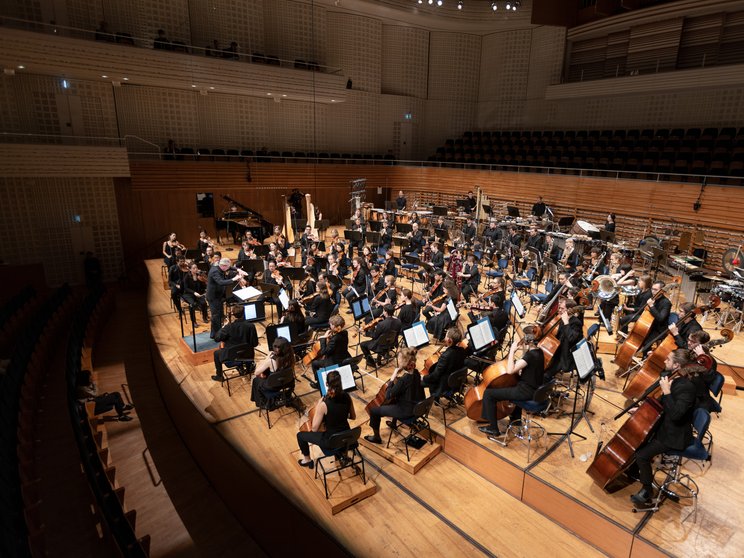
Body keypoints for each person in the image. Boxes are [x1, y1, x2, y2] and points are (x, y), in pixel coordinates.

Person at [630, 349, 698, 506]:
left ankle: (647, 491)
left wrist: (667, 391)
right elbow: (661, 404)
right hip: (664, 424)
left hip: (674, 434)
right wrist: (641, 410)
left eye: (668, 360)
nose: (664, 361)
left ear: (676, 365)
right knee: (638, 439)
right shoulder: (676, 378)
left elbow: (676, 415)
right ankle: (635, 471)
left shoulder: (687, 387)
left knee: (642, 455)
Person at [479, 326, 544, 439]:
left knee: (489, 394)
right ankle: (516, 420)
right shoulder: (540, 353)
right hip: (534, 389)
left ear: (527, 340)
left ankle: (493, 428)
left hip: (525, 391)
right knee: (513, 383)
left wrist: (512, 351)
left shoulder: (530, 356)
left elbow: (509, 371)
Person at [364, 348, 425, 444]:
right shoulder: (417, 373)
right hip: (418, 407)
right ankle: (393, 423)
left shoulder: (403, 380)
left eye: (399, 358)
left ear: (404, 362)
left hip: (406, 411)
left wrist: (393, 377)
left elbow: (388, 395)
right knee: (397, 398)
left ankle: (376, 437)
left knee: (374, 411)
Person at [297, 370, 356, 468]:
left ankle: (307, 460)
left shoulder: (324, 404)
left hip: (332, 441)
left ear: (326, 384)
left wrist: (319, 406)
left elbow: (314, 429)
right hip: (347, 437)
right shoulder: (347, 397)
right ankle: (342, 455)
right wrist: (341, 415)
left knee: (300, 435)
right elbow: (353, 417)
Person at [212, 305, 259, 381]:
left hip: (231, 359)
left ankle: (219, 376)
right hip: (247, 356)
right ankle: (247, 367)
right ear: (244, 314)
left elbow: (217, 338)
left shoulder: (228, 327)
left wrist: (224, 327)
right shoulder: (251, 326)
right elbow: (255, 344)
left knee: (216, 353)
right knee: (244, 348)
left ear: (233, 315)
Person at [545, 298, 584, 380]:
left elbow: (571, 338)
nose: (559, 310)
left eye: (562, 308)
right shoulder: (562, 318)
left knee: (546, 375)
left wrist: (566, 323)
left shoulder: (576, 323)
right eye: (559, 307)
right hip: (557, 349)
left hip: (564, 355)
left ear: (569, 310)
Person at [251, 337, 296, 409]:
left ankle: (263, 403)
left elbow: (256, 372)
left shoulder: (271, 361)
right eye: (276, 347)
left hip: (274, 387)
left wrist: (267, 358)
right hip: (288, 383)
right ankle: (284, 396)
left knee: (256, 380)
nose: (276, 350)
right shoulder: (292, 356)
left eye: (278, 347)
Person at [422, 327, 467, 399]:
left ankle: (430, 400)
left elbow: (435, 376)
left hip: (443, 384)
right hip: (455, 381)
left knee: (419, 383)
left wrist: (423, 378)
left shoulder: (445, 356)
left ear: (449, 340)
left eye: (446, 336)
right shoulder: (462, 350)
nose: (444, 337)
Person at [206, 258, 245, 338]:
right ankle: (216, 335)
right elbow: (221, 282)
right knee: (216, 316)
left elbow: (229, 267)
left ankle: (215, 334)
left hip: (219, 295)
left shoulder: (219, 266)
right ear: (223, 266)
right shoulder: (215, 271)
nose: (228, 269)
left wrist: (238, 270)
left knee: (219, 315)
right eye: (227, 267)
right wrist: (234, 279)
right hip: (213, 297)